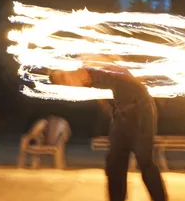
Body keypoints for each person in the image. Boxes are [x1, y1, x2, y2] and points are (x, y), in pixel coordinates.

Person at [49, 66, 167, 201]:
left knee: (144, 160)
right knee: (114, 163)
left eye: (64, 77)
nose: (68, 82)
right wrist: (115, 115)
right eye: (63, 83)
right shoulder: (87, 81)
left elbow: (122, 72)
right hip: (121, 116)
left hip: (141, 110)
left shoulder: (94, 66)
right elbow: (105, 101)